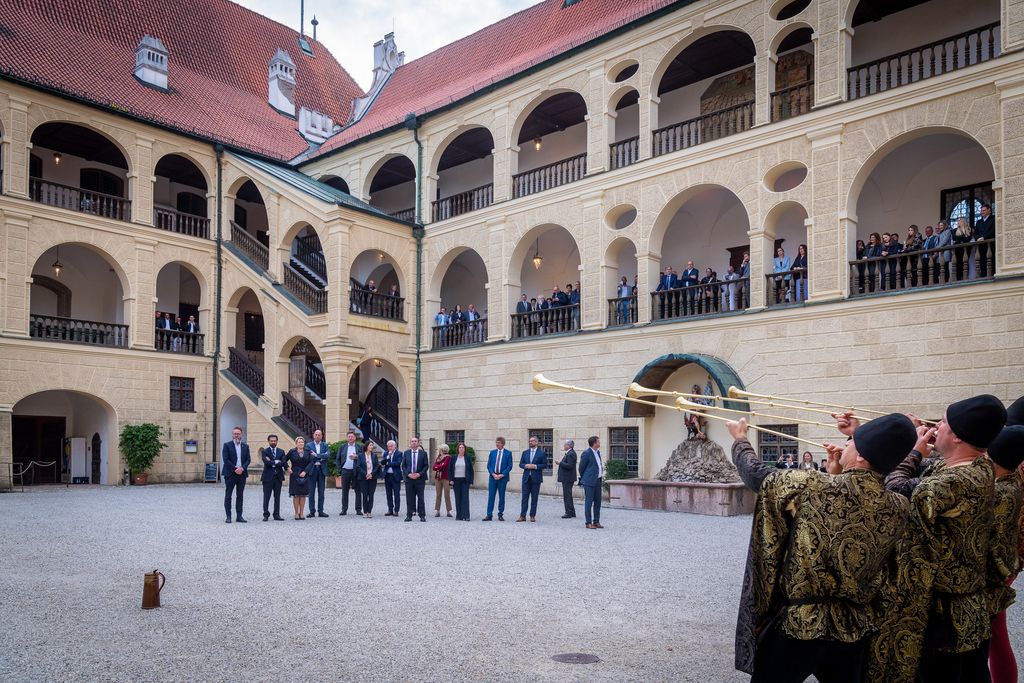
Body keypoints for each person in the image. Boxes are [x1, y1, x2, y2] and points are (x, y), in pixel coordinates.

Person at [727, 412, 917, 682]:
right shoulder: (899, 506)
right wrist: (838, 475)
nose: (846, 446)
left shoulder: (812, 486)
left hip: (800, 624)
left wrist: (740, 439)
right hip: (853, 627)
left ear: (861, 456)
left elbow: (758, 476)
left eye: (851, 443)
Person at [868, 394, 1007, 682]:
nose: (937, 426)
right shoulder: (978, 466)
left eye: (943, 421)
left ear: (957, 437)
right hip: (967, 608)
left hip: (944, 616)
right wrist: (895, 439)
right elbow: (928, 471)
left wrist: (912, 452)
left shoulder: (951, 483)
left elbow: (895, 492)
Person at [985, 424, 1024, 683]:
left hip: (998, 567)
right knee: (995, 634)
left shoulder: (1004, 489)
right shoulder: (1012, 480)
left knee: (995, 636)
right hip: (1008, 562)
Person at [221, 426, 250, 523]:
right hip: (230, 473)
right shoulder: (227, 445)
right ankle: (228, 516)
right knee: (228, 495)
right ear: (232, 434)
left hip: (242, 473)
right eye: (235, 433)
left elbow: (248, 459)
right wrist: (235, 469)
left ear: (241, 434)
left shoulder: (245, 446)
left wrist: (242, 468)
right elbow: (226, 459)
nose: (236, 435)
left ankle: (239, 516)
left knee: (240, 495)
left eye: (238, 433)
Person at [517, 435, 547, 522]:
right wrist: (525, 465)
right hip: (526, 478)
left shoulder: (541, 453)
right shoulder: (525, 452)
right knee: (524, 497)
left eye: (532, 441)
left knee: (534, 498)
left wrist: (535, 466)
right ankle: (522, 516)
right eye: (530, 441)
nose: (530, 442)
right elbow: (520, 464)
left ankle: (532, 515)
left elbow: (545, 465)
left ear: (537, 442)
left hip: (536, 478)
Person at [483, 437, 513, 521]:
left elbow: (510, 466)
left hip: (502, 478)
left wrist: (502, 474)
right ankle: (489, 515)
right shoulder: (492, 453)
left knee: (501, 496)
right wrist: (492, 474)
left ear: (503, 444)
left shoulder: (508, 453)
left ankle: (500, 514)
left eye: (499, 443)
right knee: (491, 496)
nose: (497, 444)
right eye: (496, 442)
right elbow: (489, 465)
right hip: (492, 477)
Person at [578, 436, 604, 529]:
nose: (599, 443)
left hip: (598, 480)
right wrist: (586, 477)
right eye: (598, 441)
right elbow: (581, 468)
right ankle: (588, 523)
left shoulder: (598, 452)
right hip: (589, 481)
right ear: (594, 443)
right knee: (589, 502)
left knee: (598, 501)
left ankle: (596, 521)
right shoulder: (586, 453)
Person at [335, 431, 363, 516]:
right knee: (344, 491)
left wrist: (356, 457)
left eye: (352, 436)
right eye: (349, 437)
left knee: (358, 491)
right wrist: (340, 469)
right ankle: (344, 509)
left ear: (355, 438)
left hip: (356, 471)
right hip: (345, 471)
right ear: (347, 438)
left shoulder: (359, 447)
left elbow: (363, 458)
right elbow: (338, 459)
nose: (350, 438)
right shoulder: (342, 447)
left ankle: (358, 509)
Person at [260, 434, 286, 521]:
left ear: (277, 441)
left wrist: (271, 461)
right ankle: (266, 514)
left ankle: (276, 514)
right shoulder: (265, 451)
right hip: (267, 477)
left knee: (277, 497)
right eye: (271, 441)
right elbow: (266, 462)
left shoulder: (281, 451)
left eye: (275, 441)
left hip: (278, 477)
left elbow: (283, 463)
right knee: (266, 497)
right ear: (269, 441)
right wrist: (276, 461)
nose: (273, 442)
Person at [305, 428, 330, 518]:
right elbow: (309, 457)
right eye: (316, 434)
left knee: (321, 492)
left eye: (319, 435)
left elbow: (327, 455)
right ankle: (312, 511)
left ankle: (321, 511)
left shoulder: (325, 445)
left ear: (322, 436)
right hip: (312, 470)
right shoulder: (308, 445)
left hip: (321, 470)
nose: (317, 436)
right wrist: (321, 457)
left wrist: (316, 455)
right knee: (311, 492)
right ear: (313, 435)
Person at [402, 436, 428, 521]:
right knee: (409, 498)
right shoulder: (406, 453)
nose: (413, 442)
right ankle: (409, 515)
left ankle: (422, 515)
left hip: (419, 479)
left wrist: (419, 474)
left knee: (421, 498)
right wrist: (408, 474)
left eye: (415, 441)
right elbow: (403, 466)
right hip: (409, 479)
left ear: (418, 443)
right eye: (412, 441)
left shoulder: (423, 453)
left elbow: (426, 466)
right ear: (410, 443)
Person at [286, 436, 311, 520]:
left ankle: (302, 513)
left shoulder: (308, 451)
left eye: (302, 442)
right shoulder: (292, 451)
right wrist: (288, 468)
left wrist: (305, 471)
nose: (301, 443)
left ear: (304, 443)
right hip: (295, 474)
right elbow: (283, 460)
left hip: (304, 474)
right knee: (296, 495)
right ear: (296, 443)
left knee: (303, 494)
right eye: (299, 442)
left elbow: (311, 462)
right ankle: (296, 513)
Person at [448, 443, 474, 521]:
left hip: (465, 480)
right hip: (456, 480)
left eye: (463, 447)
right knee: (458, 498)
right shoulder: (453, 458)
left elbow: (471, 470)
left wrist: (471, 480)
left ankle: (466, 515)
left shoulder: (467, 458)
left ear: (465, 449)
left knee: (465, 498)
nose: (461, 449)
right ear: (458, 449)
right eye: (460, 447)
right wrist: (451, 480)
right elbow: (450, 469)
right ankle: (459, 515)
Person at [356, 441, 381, 518]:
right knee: (364, 495)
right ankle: (365, 511)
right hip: (363, 478)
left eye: (372, 445)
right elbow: (358, 466)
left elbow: (377, 466)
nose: (371, 447)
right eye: (370, 445)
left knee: (371, 495)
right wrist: (365, 474)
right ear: (366, 446)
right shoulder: (360, 455)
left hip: (372, 478)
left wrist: (371, 474)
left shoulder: (374, 456)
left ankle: (369, 511)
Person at [380, 439, 404, 517]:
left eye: (391, 446)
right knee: (388, 493)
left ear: (395, 446)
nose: (390, 448)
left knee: (396, 494)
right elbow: (382, 462)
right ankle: (390, 509)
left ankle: (396, 510)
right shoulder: (386, 453)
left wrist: (389, 463)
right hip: (388, 475)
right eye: (388, 446)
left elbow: (398, 463)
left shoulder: (399, 453)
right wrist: (387, 458)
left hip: (395, 476)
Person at [557, 439, 577, 519]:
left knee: (567, 495)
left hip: (568, 478)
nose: (564, 446)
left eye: (565, 444)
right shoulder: (570, 453)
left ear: (569, 445)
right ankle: (572, 512)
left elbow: (569, 466)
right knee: (568, 495)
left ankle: (568, 512)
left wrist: (560, 463)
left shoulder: (571, 453)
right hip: (568, 477)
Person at [974, 202, 994, 278]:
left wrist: (984, 238)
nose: (982, 212)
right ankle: (983, 275)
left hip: (990, 245)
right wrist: (977, 238)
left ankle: (991, 274)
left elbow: (993, 231)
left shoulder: (993, 219)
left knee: (991, 261)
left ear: (989, 211)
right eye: (981, 211)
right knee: (982, 261)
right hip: (981, 245)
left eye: (984, 210)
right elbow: (975, 233)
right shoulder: (979, 222)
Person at [432, 444, 452, 518]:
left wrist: (438, 466)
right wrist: (438, 467)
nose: (438, 450)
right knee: (438, 494)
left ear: (443, 450)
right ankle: (437, 511)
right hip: (438, 478)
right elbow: (434, 467)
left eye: (439, 449)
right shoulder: (438, 457)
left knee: (447, 494)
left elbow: (444, 465)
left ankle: (448, 511)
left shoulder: (448, 457)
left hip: (446, 478)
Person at [952, 216, 973, 281]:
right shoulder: (954, 230)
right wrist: (963, 237)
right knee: (958, 264)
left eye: (959, 221)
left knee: (965, 263)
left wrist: (960, 238)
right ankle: (958, 278)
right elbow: (954, 238)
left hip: (966, 249)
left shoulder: (969, 229)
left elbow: (968, 239)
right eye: (957, 221)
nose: (957, 222)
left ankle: (965, 277)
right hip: (958, 250)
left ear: (962, 221)